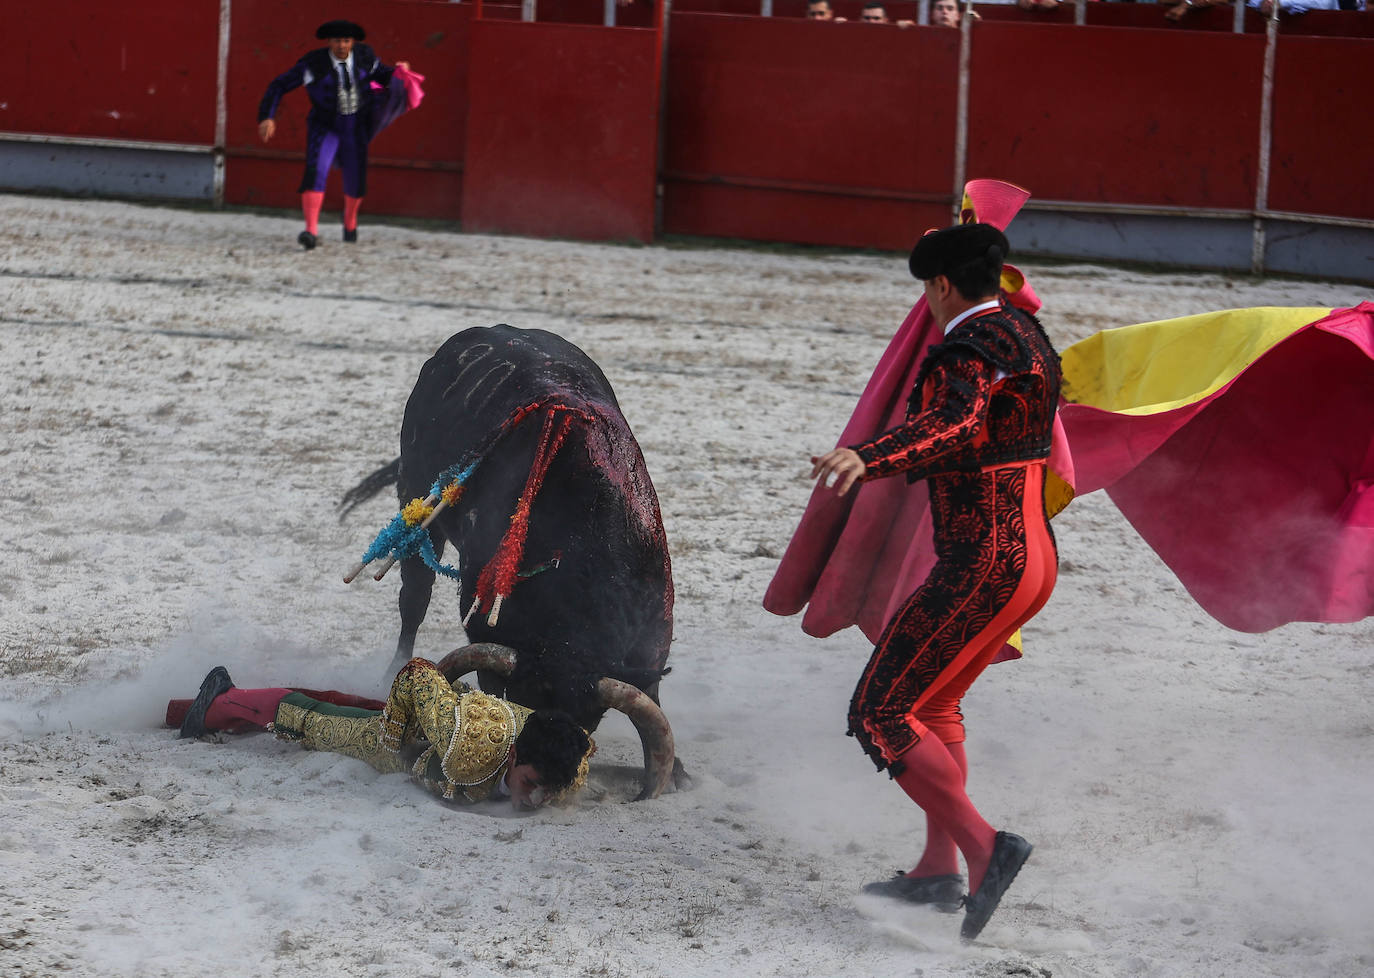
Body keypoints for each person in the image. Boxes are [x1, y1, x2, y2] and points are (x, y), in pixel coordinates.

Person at [807, 223, 1061, 941]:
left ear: (942, 287)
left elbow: (955, 423)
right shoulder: (1026, 333)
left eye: (926, 288)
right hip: (1031, 557)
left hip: (982, 561)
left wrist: (868, 455)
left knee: (880, 711)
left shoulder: (968, 348)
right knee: (934, 702)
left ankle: (986, 850)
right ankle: (936, 867)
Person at [169, 658, 594, 809]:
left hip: (444, 721)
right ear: (515, 756)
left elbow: (585, 747)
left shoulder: (567, 765)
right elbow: (416, 673)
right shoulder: (464, 739)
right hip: (420, 732)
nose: (538, 799)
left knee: (343, 706)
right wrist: (389, 739)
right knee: (311, 720)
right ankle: (219, 700)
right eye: (532, 784)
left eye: (549, 792)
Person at [257, 20, 419, 250]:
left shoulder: (364, 57)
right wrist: (267, 116)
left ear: (353, 42)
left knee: (355, 176)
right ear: (328, 42)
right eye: (337, 40)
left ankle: (350, 221)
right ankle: (311, 230)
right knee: (316, 169)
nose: (342, 45)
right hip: (326, 124)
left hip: (356, 124)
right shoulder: (314, 64)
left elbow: (383, 76)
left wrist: (399, 72)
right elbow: (279, 85)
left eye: (346, 40)